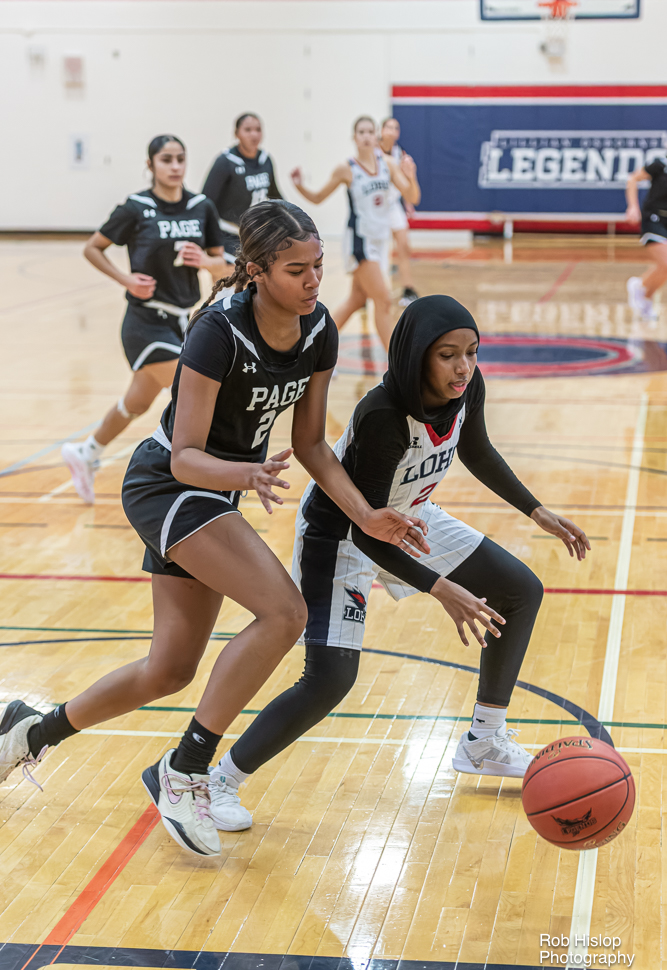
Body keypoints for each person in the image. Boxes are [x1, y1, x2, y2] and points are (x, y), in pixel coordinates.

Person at [0, 201, 430, 858]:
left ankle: (30, 733)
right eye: (296, 269)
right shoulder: (217, 332)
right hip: (168, 487)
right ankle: (185, 769)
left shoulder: (319, 330)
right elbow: (184, 457)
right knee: (285, 612)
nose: (314, 280)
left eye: (318, 265)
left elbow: (312, 444)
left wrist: (365, 513)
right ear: (256, 271)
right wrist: (246, 473)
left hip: (218, 491)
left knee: (168, 670)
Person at [206, 295, 591, 834]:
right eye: (448, 355)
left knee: (519, 588)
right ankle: (217, 781)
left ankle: (484, 741)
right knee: (329, 679)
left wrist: (536, 510)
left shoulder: (464, 387)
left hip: (410, 516)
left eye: (472, 353)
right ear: (416, 356)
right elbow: (367, 530)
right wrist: (441, 588)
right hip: (342, 534)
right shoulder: (384, 415)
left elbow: (476, 448)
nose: (463, 367)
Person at [62, 135, 228, 504]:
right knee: (197, 396)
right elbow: (93, 248)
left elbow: (223, 267)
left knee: (135, 404)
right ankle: (197, 482)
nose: (175, 166)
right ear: (150, 165)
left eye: (180, 158)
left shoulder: (202, 207)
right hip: (146, 324)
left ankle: (86, 452)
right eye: (166, 159)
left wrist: (205, 261)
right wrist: (125, 279)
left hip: (186, 322)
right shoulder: (136, 208)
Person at [290, 115, 420, 350]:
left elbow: (413, 197)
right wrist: (300, 186)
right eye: (361, 132)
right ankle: (396, 362)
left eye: (370, 131)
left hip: (380, 242)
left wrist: (411, 176)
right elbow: (318, 198)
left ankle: (312, 346)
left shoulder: (388, 164)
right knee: (383, 301)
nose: (366, 136)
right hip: (360, 243)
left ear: (376, 136)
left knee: (356, 300)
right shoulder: (346, 168)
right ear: (354, 138)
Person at [203, 113, 283, 259]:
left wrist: (293, 218)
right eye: (248, 130)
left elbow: (275, 195)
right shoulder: (225, 161)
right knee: (237, 271)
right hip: (228, 233)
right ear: (236, 133)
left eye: (258, 129)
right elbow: (206, 201)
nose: (254, 134)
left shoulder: (265, 160)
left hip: (256, 233)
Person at [379, 117, 420, 307]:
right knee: (376, 250)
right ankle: (366, 289)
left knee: (404, 246)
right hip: (375, 206)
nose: (392, 131)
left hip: (393, 204)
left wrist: (407, 203)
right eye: (389, 127)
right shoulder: (373, 152)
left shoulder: (400, 154)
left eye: (396, 128)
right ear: (381, 130)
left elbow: (404, 182)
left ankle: (408, 289)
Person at [626, 155, 667, 321]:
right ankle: (641, 290)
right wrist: (633, 207)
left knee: (665, 268)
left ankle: (644, 294)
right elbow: (633, 179)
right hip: (654, 218)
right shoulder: (660, 164)